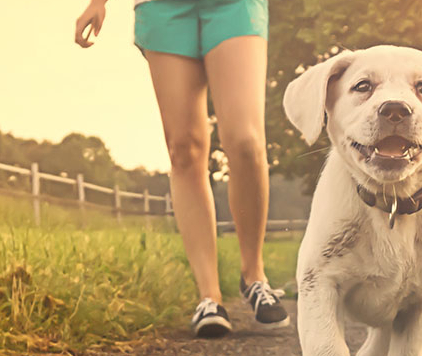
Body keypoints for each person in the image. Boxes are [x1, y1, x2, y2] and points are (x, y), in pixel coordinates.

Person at [75, 0, 287, 338]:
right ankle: (209, 297)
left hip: (234, 6)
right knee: (184, 148)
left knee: (246, 142)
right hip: (162, 8)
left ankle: (254, 275)